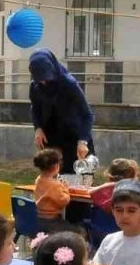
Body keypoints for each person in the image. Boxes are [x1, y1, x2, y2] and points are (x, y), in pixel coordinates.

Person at [29, 48, 94, 176]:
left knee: (81, 183)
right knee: (54, 184)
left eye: (46, 78)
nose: (44, 82)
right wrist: (38, 128)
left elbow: (87, 114)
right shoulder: (35, 86)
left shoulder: (69, 84)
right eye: (40, 79)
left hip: (76, 140)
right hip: (53, 141)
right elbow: (35, 108)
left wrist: (83, 141)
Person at [89, 159, 140, 223]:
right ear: (132, 179)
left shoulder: (97, 192)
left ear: (109, 176)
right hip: (128, 232)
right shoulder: (132, 195)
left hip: (99, 232)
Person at [32, 148, 71, 233]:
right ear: (56, 166)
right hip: (51, 221)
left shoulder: (38, 179)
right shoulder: (55, 185)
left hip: (38, 219)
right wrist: (66, 189)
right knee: (77, 229)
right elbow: (64, 201)